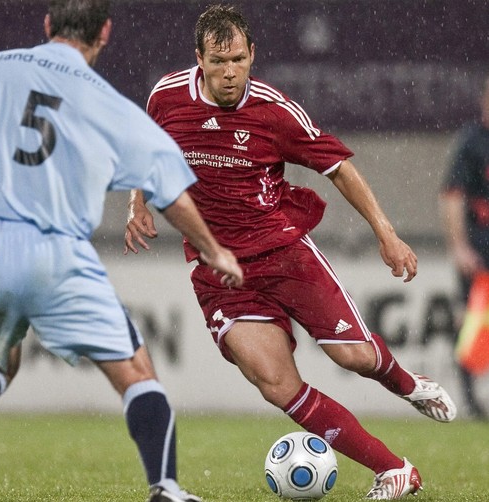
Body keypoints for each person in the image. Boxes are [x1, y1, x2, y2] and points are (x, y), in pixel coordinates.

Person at [0, 1, 244, 501]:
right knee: (134, 371)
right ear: (104, 33)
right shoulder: (104, 102)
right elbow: (169, 191)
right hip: (56, 251)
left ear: (47, 26)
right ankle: (166, 488)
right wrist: (214, 250)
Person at [124, 4, 457, 500]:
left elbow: (339, 167)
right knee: (276, 384)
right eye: (219, 62)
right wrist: (137, 203)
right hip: (221, 271)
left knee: (353, 356)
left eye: (238, 59)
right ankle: (395, 471)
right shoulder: (167, 97)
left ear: (252, 54)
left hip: (284, 253)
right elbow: (142, 147)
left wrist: (386, 234)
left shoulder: (274, 110)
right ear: (199, 60)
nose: (230, 72)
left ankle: (407, 383)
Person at [439, 75, 489, 420]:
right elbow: (453, 195)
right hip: (480, 251)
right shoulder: (473, 142)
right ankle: (471, 402)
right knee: (472, 324)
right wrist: (459, 246)